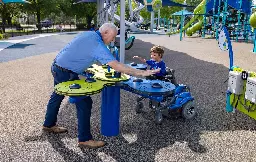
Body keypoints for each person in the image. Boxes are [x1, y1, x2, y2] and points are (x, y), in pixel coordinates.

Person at [42, 23, 160, 149]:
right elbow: (116, 65)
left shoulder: (90, 34)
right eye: (113, 37)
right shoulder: (97, 44)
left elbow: (78, 52)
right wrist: (141, 73)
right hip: (66, 72)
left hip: (57, 66)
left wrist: (84, 68)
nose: (113, 40)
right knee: (84, 102)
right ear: (106, 33)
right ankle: (85, 139)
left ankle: (48, 124)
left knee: (57, 96)